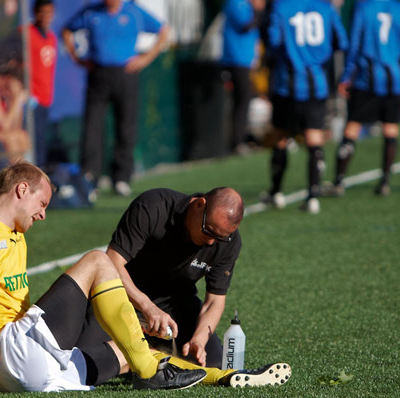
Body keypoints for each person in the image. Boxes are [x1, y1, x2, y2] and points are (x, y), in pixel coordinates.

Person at [0, 163, 288, 398]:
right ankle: (151, 374)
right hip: (14, 354)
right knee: (98, 261)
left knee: (123, 357)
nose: (43, 214)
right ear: (21, 189)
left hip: (28, 370)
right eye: (42, 204)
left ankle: (228, 377)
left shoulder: (13, 236)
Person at [74, 187, 244, 370]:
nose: (211, 242)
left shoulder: (229, 243)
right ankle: (145, 354)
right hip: (123, 296)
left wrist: (199, 339)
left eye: (220, 238)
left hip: (175, 305)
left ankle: (145, 354)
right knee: (86, 360)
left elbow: (214, 301)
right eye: (208, 231)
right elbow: (113, 262)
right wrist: (147, 306)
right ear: (199, 204)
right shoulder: (153, 206)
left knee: (212, 364)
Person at [62, 0, 170, 197]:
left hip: (126, 74)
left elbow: (163, 30)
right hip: (98, 74)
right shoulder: (91, 13)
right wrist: (76, 57)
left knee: (126, 126)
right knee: (92, 127)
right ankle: (89, 178)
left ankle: (121, 178)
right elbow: (67, 30)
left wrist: (146, 58)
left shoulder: (133, 12)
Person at [326, 0, 400, 196]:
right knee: (390, 127)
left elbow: (354, 44)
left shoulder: (363, 7)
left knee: (353, 126)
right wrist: (395, 57)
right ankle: (385, 181)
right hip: (395, 77)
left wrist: (346, 77)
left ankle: (339, 182)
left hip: (367, 78)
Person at [261, 0, 348, 214]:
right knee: (314, 138)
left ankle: (277, 192)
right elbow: (341, 41)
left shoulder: (281, 7)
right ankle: (313, 196)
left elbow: (273, 40)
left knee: (280, 136)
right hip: (317, 83)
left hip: (287, 84)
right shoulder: (326, 8)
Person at [222, 0, 266, 154]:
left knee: (245, 99)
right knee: (242, 99)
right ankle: (237, 142)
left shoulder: (246, 5)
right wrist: (258, 10)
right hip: (236, 60)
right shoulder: (236, 3)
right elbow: (246, 25)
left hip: (247, 60)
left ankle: (241, 138)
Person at [27, 0, 58, 171]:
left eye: (50, 12)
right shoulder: (26, 34)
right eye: (43, 12)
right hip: (31, 99)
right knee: (31, 141)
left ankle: (40, 176)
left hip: (46, 98)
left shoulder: (51, 38)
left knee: (41, 141)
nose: (46, 16)